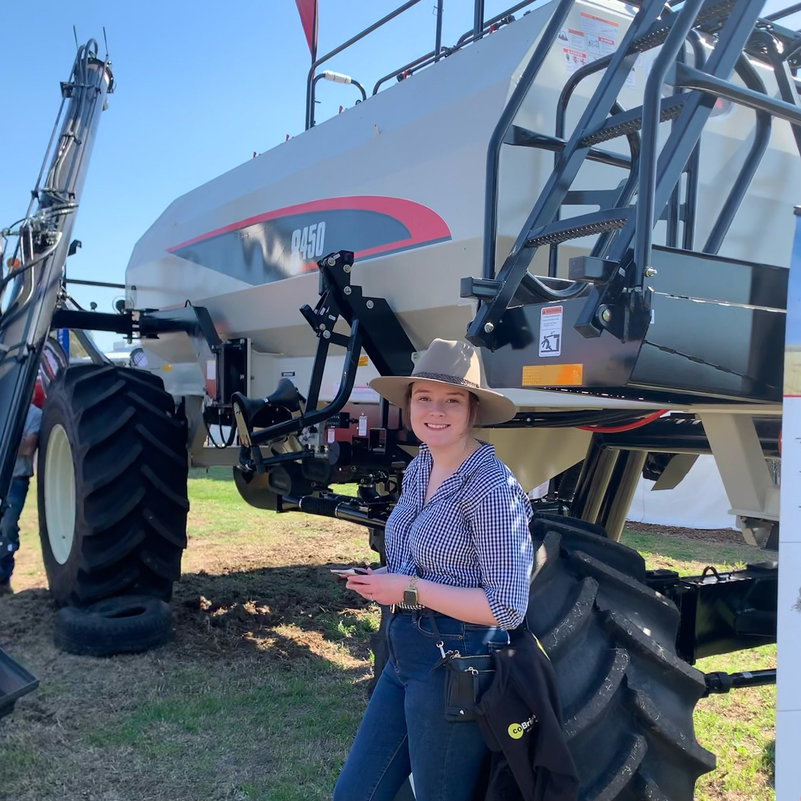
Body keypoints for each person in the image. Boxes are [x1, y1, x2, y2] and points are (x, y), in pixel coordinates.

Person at [333, 338, 534, 801]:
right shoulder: (421, 466)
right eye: (424, 398)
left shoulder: (491, 487)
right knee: (356, 794)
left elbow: (507, 608)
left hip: (455, 661)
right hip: (405, 652)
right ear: (409, 405)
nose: (435, 410)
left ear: (472, 411)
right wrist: (381, 579)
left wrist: (406, 589)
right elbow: (414, 560)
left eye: (452, 400)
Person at [0, 402, 43, 595]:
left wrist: (7, 443)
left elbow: (27, 449)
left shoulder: (35, 415)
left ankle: (3, 578)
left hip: (17, 481)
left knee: (8, 526)